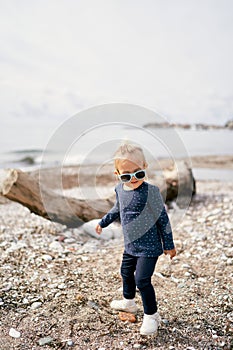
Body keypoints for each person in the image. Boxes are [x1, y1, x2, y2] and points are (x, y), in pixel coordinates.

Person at [95, 142, 176, 336]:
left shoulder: (151, 192)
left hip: (149, 247)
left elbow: (163, 219)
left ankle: (151, 315)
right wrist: (103, 222)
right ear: (117, 175)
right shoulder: (120, 190)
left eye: (138, 173)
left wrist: (169, 245)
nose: (133, 179)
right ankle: (129, 302)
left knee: (142, 280)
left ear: (145, 167)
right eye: (126, 175)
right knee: (125, 272)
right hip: (130, 245)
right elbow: (117, 209)